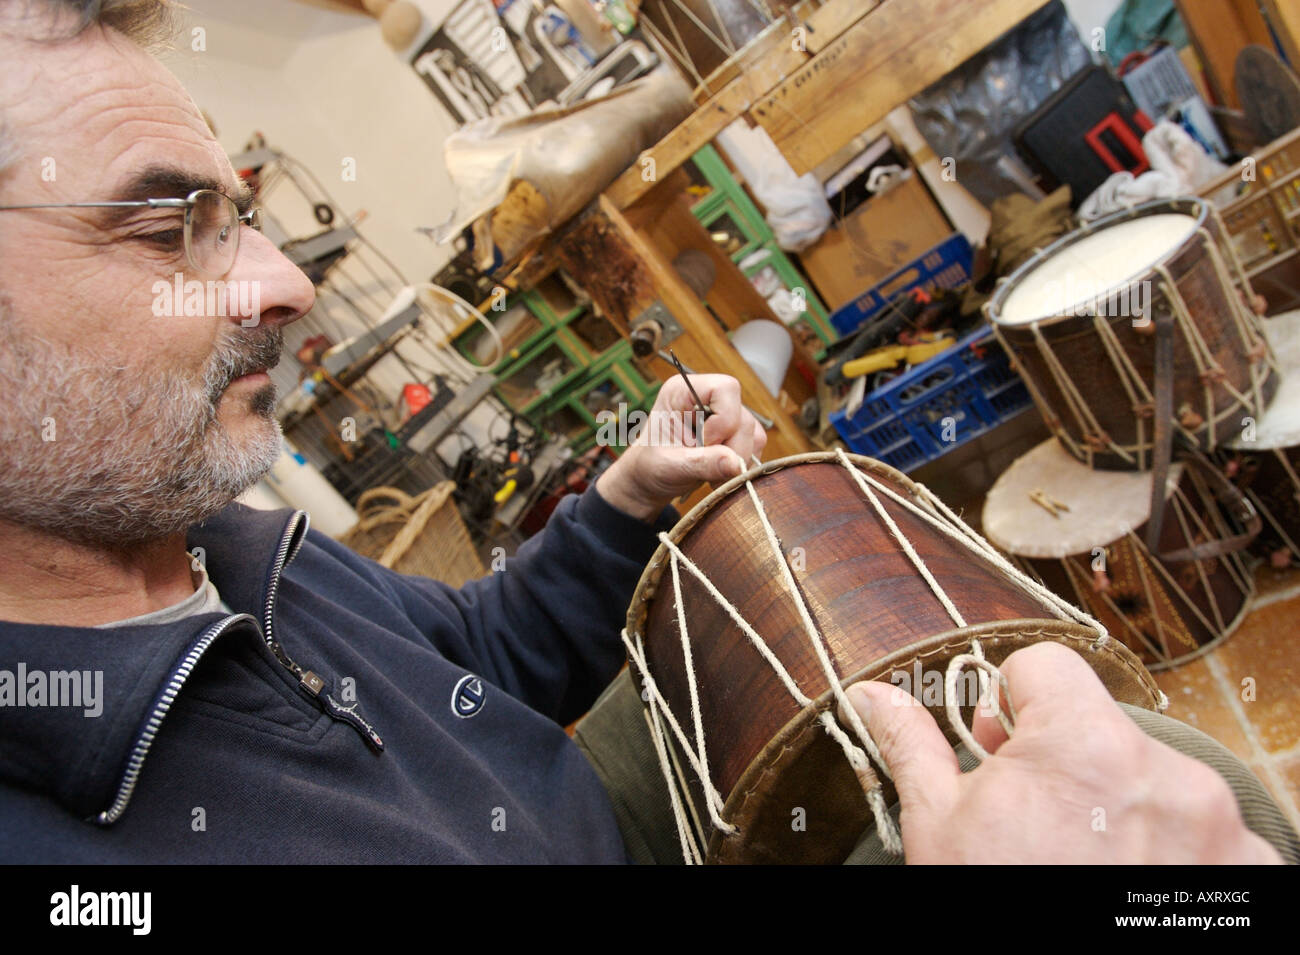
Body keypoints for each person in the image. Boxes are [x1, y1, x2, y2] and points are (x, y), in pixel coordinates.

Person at [0, 0, 1292, 865]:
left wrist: (623, 496)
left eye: (240, 214)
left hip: (575, 821)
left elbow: (468, 656)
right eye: (168, 227)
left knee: (1149, 777)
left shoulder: (203, 528)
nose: (283, 282)